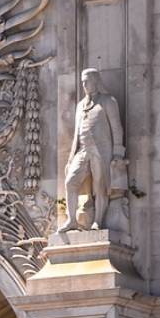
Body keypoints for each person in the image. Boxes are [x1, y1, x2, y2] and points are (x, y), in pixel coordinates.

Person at [60, 68, 124, 232]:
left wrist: (118, 153)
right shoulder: (81, 105)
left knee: (100, 186)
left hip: (101, 150)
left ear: (96, 81)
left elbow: (116, 128)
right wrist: (70, 159)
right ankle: (72, 220)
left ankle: (98, 221)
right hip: (83, 150)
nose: (84, 84)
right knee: (70, 182)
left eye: (87, 80)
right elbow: (76, 133)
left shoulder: (108, 101)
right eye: (82, 81)